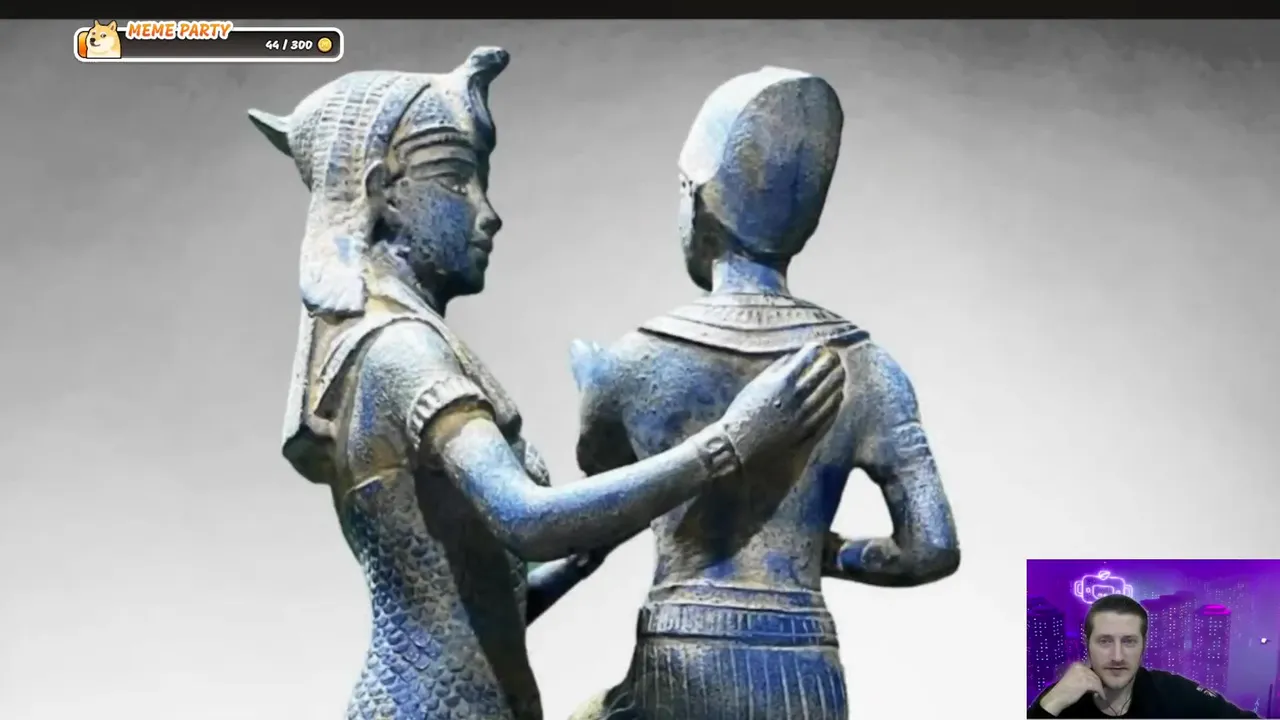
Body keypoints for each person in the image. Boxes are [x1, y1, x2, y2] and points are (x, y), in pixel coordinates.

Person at [246, 49, 846, 720]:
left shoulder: (396, 341)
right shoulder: (402, 353)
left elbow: (479, 616)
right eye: (458, 182)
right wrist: (731, 441)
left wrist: (587, 552)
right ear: (384, 192)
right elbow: (526, 519)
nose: (488, 213)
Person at [568, 66, 960, 720]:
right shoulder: (869, 367)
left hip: (682, 663)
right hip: (807, 671)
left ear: (698, 199)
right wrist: (825, 553)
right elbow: (931, 548)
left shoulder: (633, 359)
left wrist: (597, 387)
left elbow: (600, 492)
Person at [1029, 594, 1257, 718]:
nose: (1117, 656)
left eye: (1129, 641)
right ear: (1087, 644)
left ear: (1144, 645)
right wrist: (1052, 703)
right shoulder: (1060, 698)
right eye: (1105, 641)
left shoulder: (1172, 691)